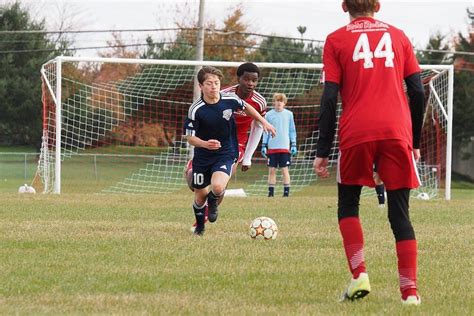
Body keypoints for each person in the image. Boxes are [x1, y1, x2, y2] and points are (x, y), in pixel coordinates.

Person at [313, 0, 425, 306]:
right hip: (396, 130)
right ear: (377, 5)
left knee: (348, 205)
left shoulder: (336, 39)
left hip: (356, 131)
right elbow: (417, 90)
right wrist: (414, 140)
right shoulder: (399, 36)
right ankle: (410, 293)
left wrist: (322, 150)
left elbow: (329, 97)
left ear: (344, 6)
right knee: (400, 214)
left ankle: (359, 274)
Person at [184, 66, 275, 236]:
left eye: (254, 80)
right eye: (246, 79)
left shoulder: (259, 101)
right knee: (196, 187)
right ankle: (194, 174)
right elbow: (190, 136)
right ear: (238, 79)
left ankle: (204, 217)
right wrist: (204, 143)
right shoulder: (220, 96)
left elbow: (258, 126)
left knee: (219, 185)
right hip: (207, 146)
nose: (250, 83)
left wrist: (247, 157)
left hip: (234, 144)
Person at [261, 93, 297, 197]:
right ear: (274, 102)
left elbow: (292, 130)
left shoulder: (289, 114)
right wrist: (264, 145)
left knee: (284, 170)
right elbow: (266, 131)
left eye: (281, 101)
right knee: (272, 170)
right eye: (277, 101)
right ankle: (271, 194)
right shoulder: (268, 115)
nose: (278, 103)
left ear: (284, 103)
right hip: (272, 147)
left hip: (285, 147)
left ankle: (286, 194)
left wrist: (293, 144)